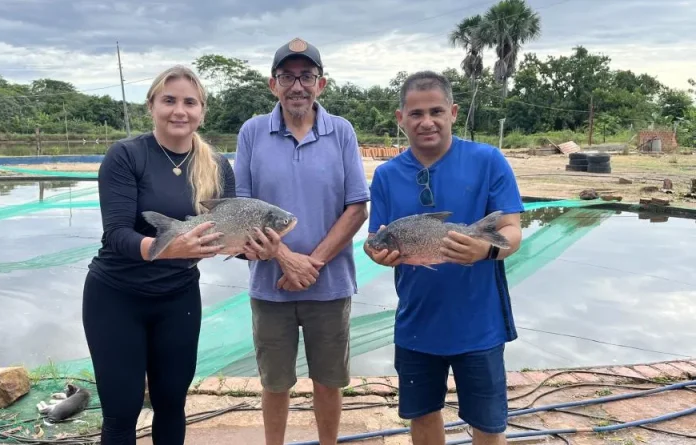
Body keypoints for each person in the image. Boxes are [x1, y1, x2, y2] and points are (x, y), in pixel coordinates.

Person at [81, 65, 252, 445]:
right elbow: (116, 235)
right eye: (169, 100)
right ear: (151, 106)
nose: (180, 110)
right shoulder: (126, 156)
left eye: (190, 103)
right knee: (121, 413)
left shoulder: (217, 165)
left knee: (171, 404)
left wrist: (256, 250)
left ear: (202, 111)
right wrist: (166, 248)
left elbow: (224, 238)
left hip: (178, 299)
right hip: (115, 298)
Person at [364, 70, 524, 445]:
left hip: (479, 324)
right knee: (421, 417)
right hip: (416, 323)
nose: (427, 122)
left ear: (453, 112)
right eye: (416, 114)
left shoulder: (488, 160)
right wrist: (379, 255)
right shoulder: (386, 175)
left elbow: (513, 229)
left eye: (436, 111)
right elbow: (376, 239)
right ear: (400, 118)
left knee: (488, 424)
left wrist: (485, 249)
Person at [233, 37, 370, 445]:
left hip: (329, 287)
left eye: (306, 76)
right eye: (287, 77)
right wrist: (286, 258)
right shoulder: (253, 132)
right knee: (275, 383)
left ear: (321, 84)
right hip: (269, 286)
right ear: (272, 84)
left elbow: (357, 207)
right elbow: (242, 208)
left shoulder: (341, 131)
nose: (297, 86)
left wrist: (311, 265)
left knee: (329, 382)